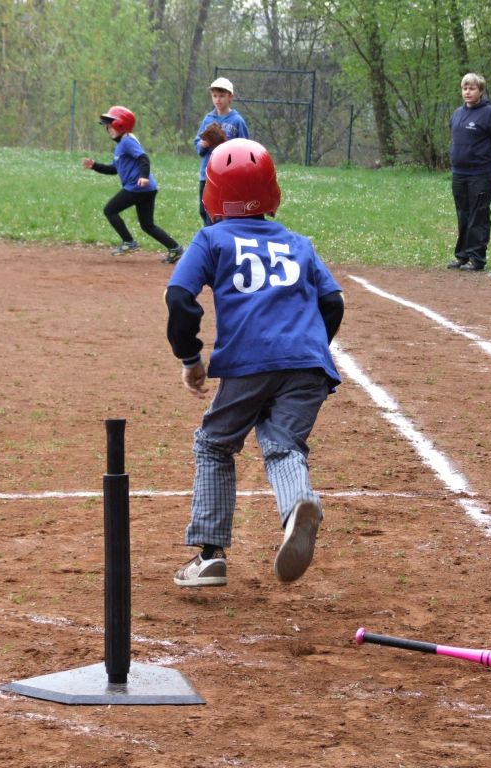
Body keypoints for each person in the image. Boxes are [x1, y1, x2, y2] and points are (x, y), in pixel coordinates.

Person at [165, 138, 344, 587]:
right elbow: (333, 302)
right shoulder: (297, 242)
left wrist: (191, 358)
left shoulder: (211, 238)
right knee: (283, 446)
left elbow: (179, 299)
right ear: (271, 192)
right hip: (308, 363)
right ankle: (297, 503)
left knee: (215, 443)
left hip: (250, 361)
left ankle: (210, 555)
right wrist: (311, 348)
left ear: (212, 196)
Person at [82, 105, 184, 264]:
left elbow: (144, 158)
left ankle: (129, 242)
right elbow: (114, 169)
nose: (107, 127)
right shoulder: (121, 144)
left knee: (110, 210)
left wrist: (143, 176)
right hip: (147, 189)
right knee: (147, 225)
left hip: (138, 188)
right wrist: (95, 166)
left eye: (110, 123)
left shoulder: (127, 141)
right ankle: (175, 249)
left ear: (120, 124)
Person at [447, 73, 491, 272]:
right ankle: (462, 256)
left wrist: (484, 157)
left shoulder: (490, 114)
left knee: (478, 214)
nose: (467, 92)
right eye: (465, 88)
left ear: (480, 91)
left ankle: (477, 257)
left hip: (480, 174)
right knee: (463, 213)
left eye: (472, 88)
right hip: (459, 172)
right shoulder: (457, 114)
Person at [194, 77, 249, 226]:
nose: (218, 99)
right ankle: (210, 240)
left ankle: (221, 239)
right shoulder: (208, 119)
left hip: (227, 175)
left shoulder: (237, 120)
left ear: (230, 97)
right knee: (204, 210)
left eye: (222, 95)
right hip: (207, 173)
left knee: (223, 211)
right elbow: (197, 144)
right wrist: (203, 144)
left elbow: (245, 147)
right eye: (215, 96)